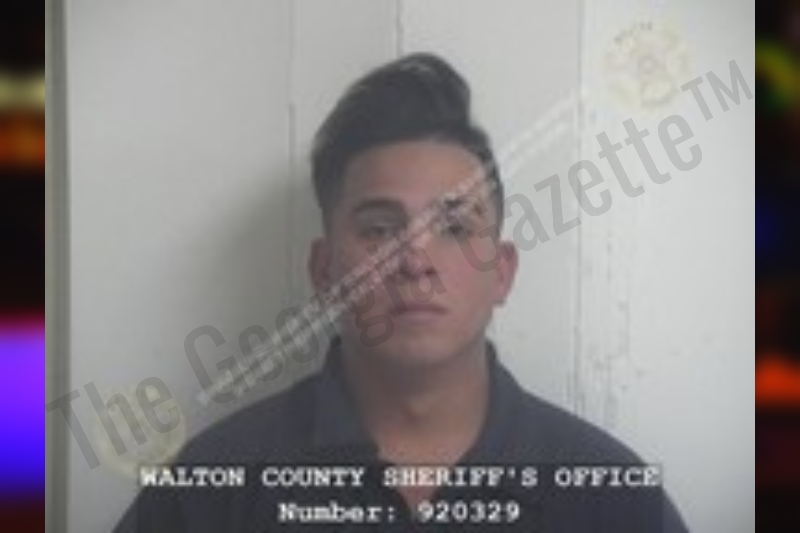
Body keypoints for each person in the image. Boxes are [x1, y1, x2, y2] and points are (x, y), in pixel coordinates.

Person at [114, 52, 687, 532]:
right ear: (324, 271)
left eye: (455, 228)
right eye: (379, 228)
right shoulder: (209, 494)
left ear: (502, 272)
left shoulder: (612, 499)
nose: (414, 262)